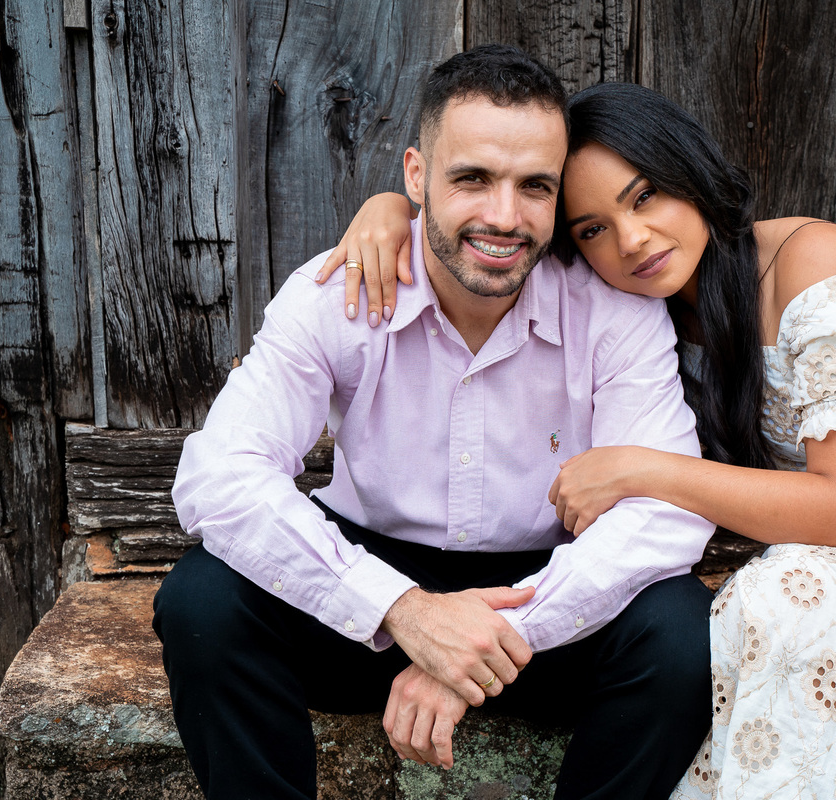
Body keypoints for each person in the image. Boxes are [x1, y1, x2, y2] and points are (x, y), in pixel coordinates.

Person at [322, 81, 836, 799]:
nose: (632, 241)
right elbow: (491, 226)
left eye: (646, 195)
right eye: (591, 230)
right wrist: (393, 209)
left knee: (772, 600)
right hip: (817, 564)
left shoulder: (811, 263)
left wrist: (646, 471)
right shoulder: (632, 309)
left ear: (690, 172)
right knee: (743, 610)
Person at [154, 48, 717, 800]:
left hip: (547, 597)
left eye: (535, 187)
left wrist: (489, 641)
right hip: (372, 591)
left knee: (682, 632)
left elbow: (662, 519)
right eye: (473, 178)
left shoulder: (616, 316)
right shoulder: (336, 295)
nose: (504, 217)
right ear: (416, 178)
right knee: (202, 603)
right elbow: (219, 478)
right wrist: (405, 612)